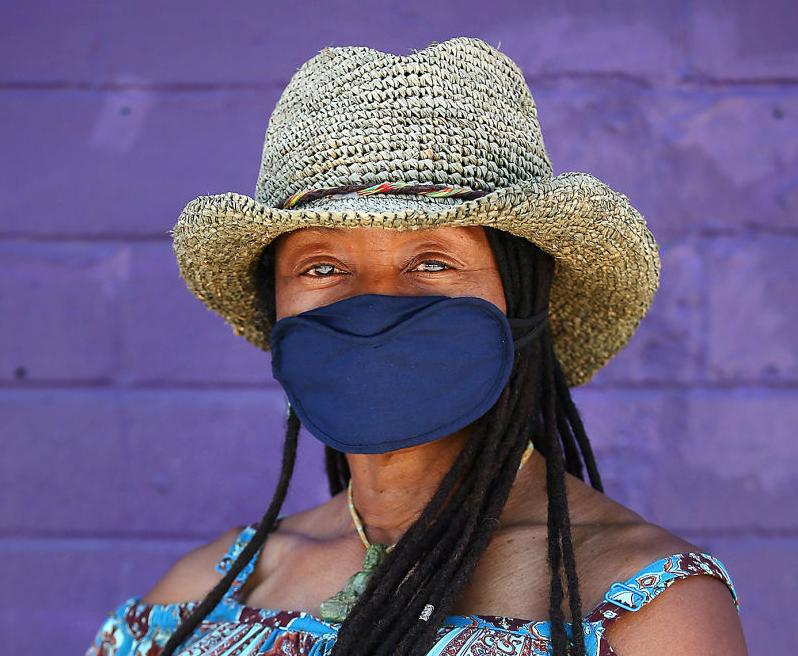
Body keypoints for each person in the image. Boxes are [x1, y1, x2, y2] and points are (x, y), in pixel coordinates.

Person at [86, 37, 747, 656]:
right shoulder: (201, 595)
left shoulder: (643, 605)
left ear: (520, 298)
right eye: (320, 266)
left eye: (431, 261)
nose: (375, 302)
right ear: (277, 306)